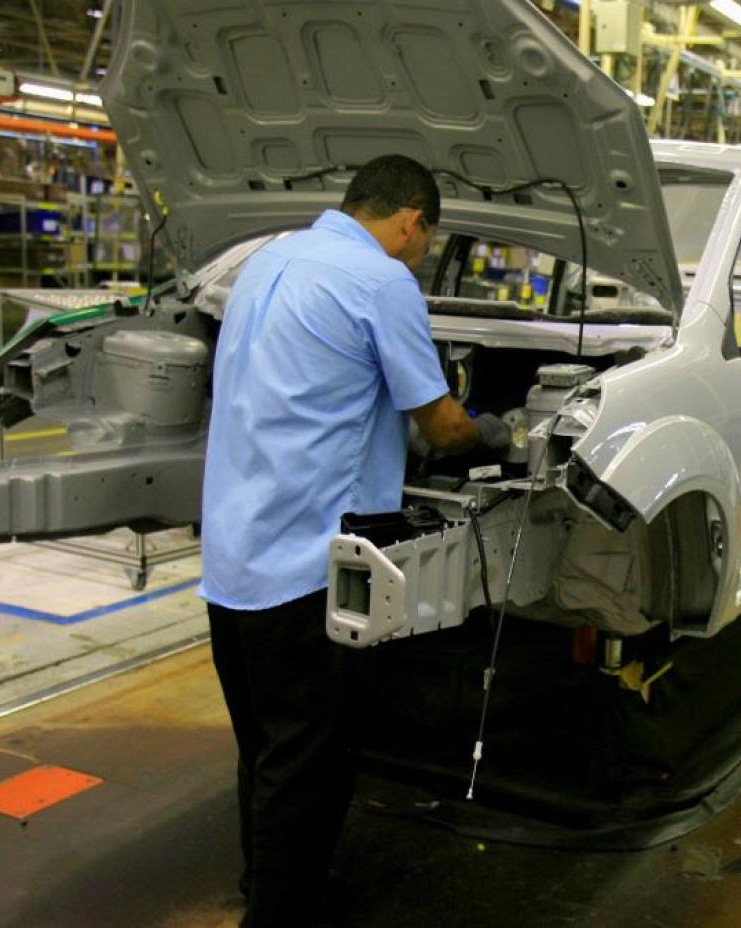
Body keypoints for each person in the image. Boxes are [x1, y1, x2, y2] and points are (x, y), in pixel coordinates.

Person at [199, 154, 511, 926]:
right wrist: (500, 433)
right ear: (412, 221)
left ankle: (273, 888)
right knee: (313, 762)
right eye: (425, 241)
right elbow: (440, 426)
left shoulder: (267, 260)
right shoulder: (381, 281)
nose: (420, 254)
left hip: (232, 558)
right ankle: (281, 915)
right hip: (309, 568)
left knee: (270, 752)